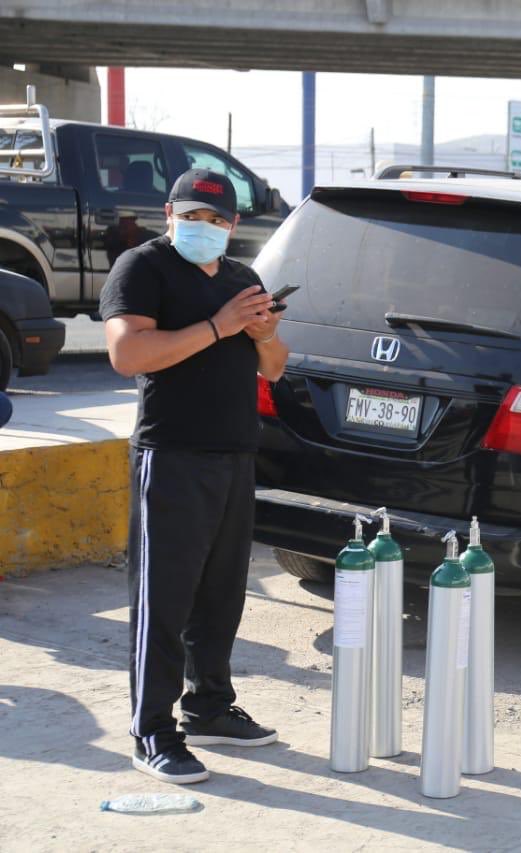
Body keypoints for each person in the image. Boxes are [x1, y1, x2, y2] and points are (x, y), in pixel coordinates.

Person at [100, 168, 289, 785]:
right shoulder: (143, 267)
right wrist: (220, 326)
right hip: (172, 454)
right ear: (170, 213)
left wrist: (263, 334)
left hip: (235, 453)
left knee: (221, 593)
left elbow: (276, 369)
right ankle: (151, 730)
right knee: (164, 598)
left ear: (233, 226)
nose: (203, 229)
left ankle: (208, 705)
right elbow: (128, 355)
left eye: (216, 220)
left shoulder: (242, 279)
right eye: (193, 217)